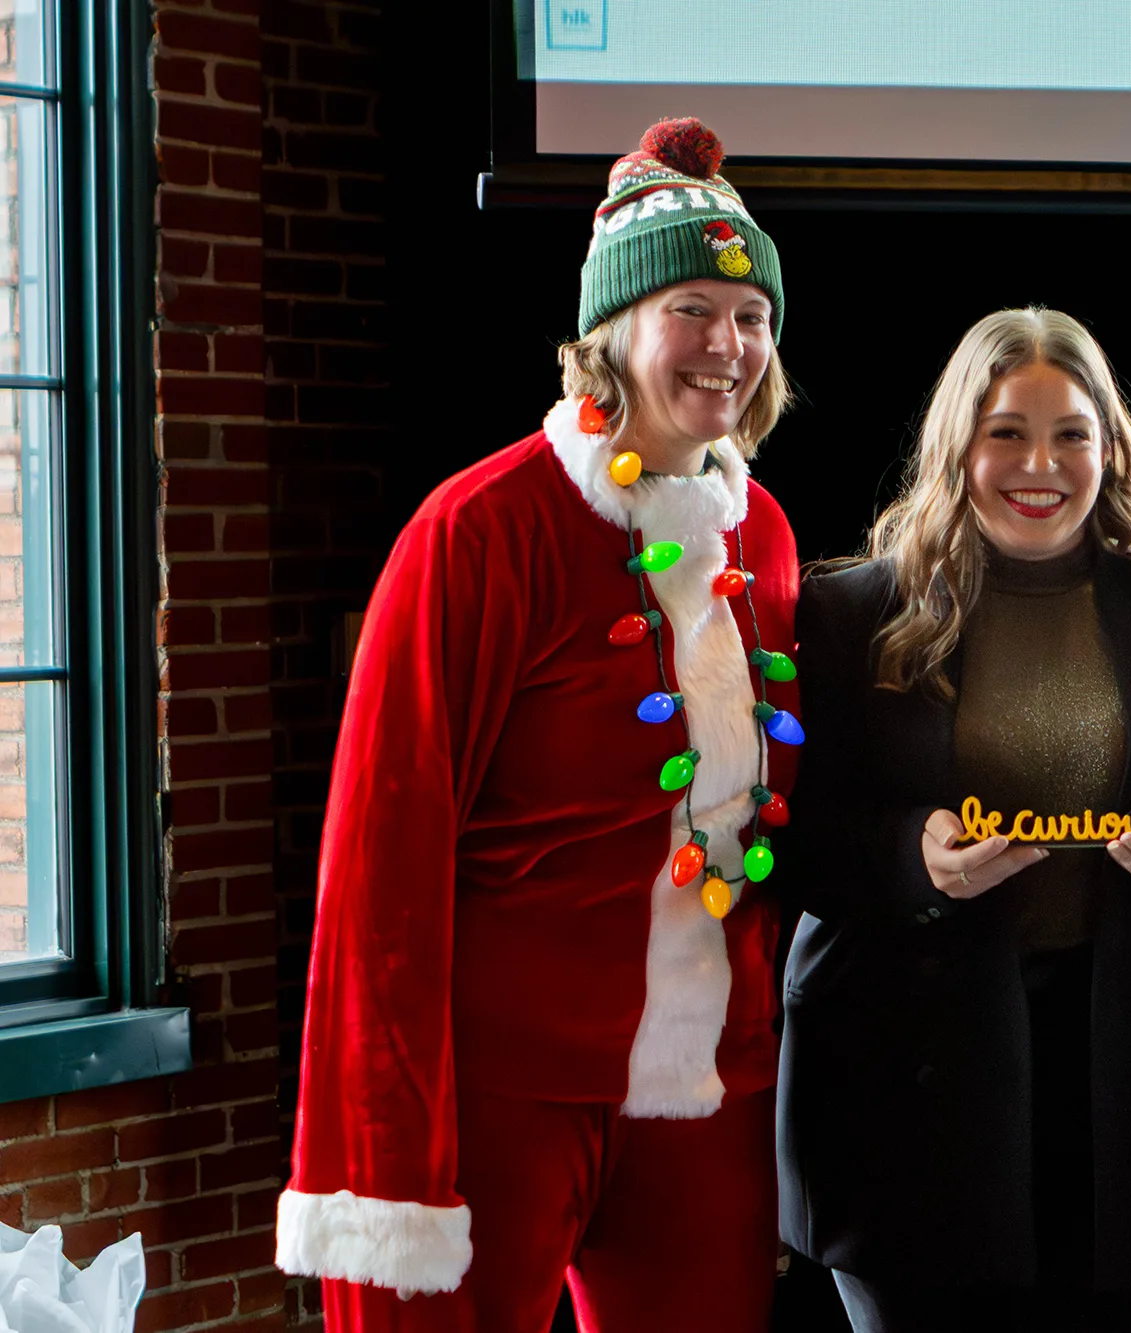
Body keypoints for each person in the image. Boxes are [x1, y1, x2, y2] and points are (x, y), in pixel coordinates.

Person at [275, 118, 801, 1332]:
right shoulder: (477, 532)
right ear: (608, 330)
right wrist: (390, 1153)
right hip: (504, 1088)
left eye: (750, 315)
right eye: (689, 308)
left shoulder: (762, 534)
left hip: (711, 1087)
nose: (727, 345)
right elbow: (380, 868)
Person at [778, 308, 1131, 1332]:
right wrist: (913, 858)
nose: (1040, 465)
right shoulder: (848, 615)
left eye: (1070, 435)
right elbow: (796, 844)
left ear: (1111, 448)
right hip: (912, 1087)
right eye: (1006, 432)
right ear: (956, 445)